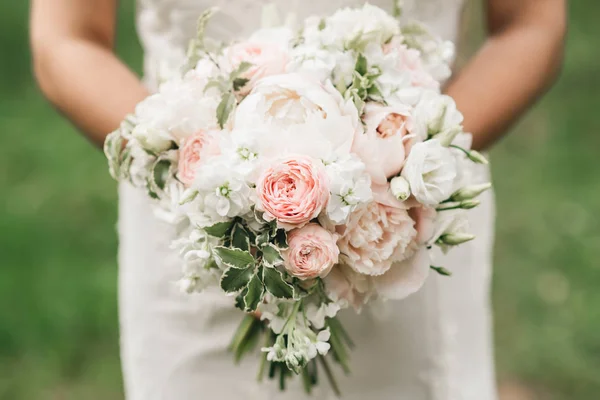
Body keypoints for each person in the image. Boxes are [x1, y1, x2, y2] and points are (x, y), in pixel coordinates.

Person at [30, 1, 566, 399]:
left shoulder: (401, 194)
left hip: (399, 234)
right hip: (192, 230)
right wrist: (204, 172)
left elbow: (530, 26)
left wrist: (400, 175)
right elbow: (67, 39)